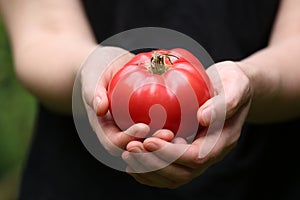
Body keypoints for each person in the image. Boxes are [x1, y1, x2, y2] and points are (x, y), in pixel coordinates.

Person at [0, 0, 300, 199]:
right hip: (77, 180)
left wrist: (253, 80)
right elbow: (42, 33)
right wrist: (89, 68)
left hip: (263, 179)